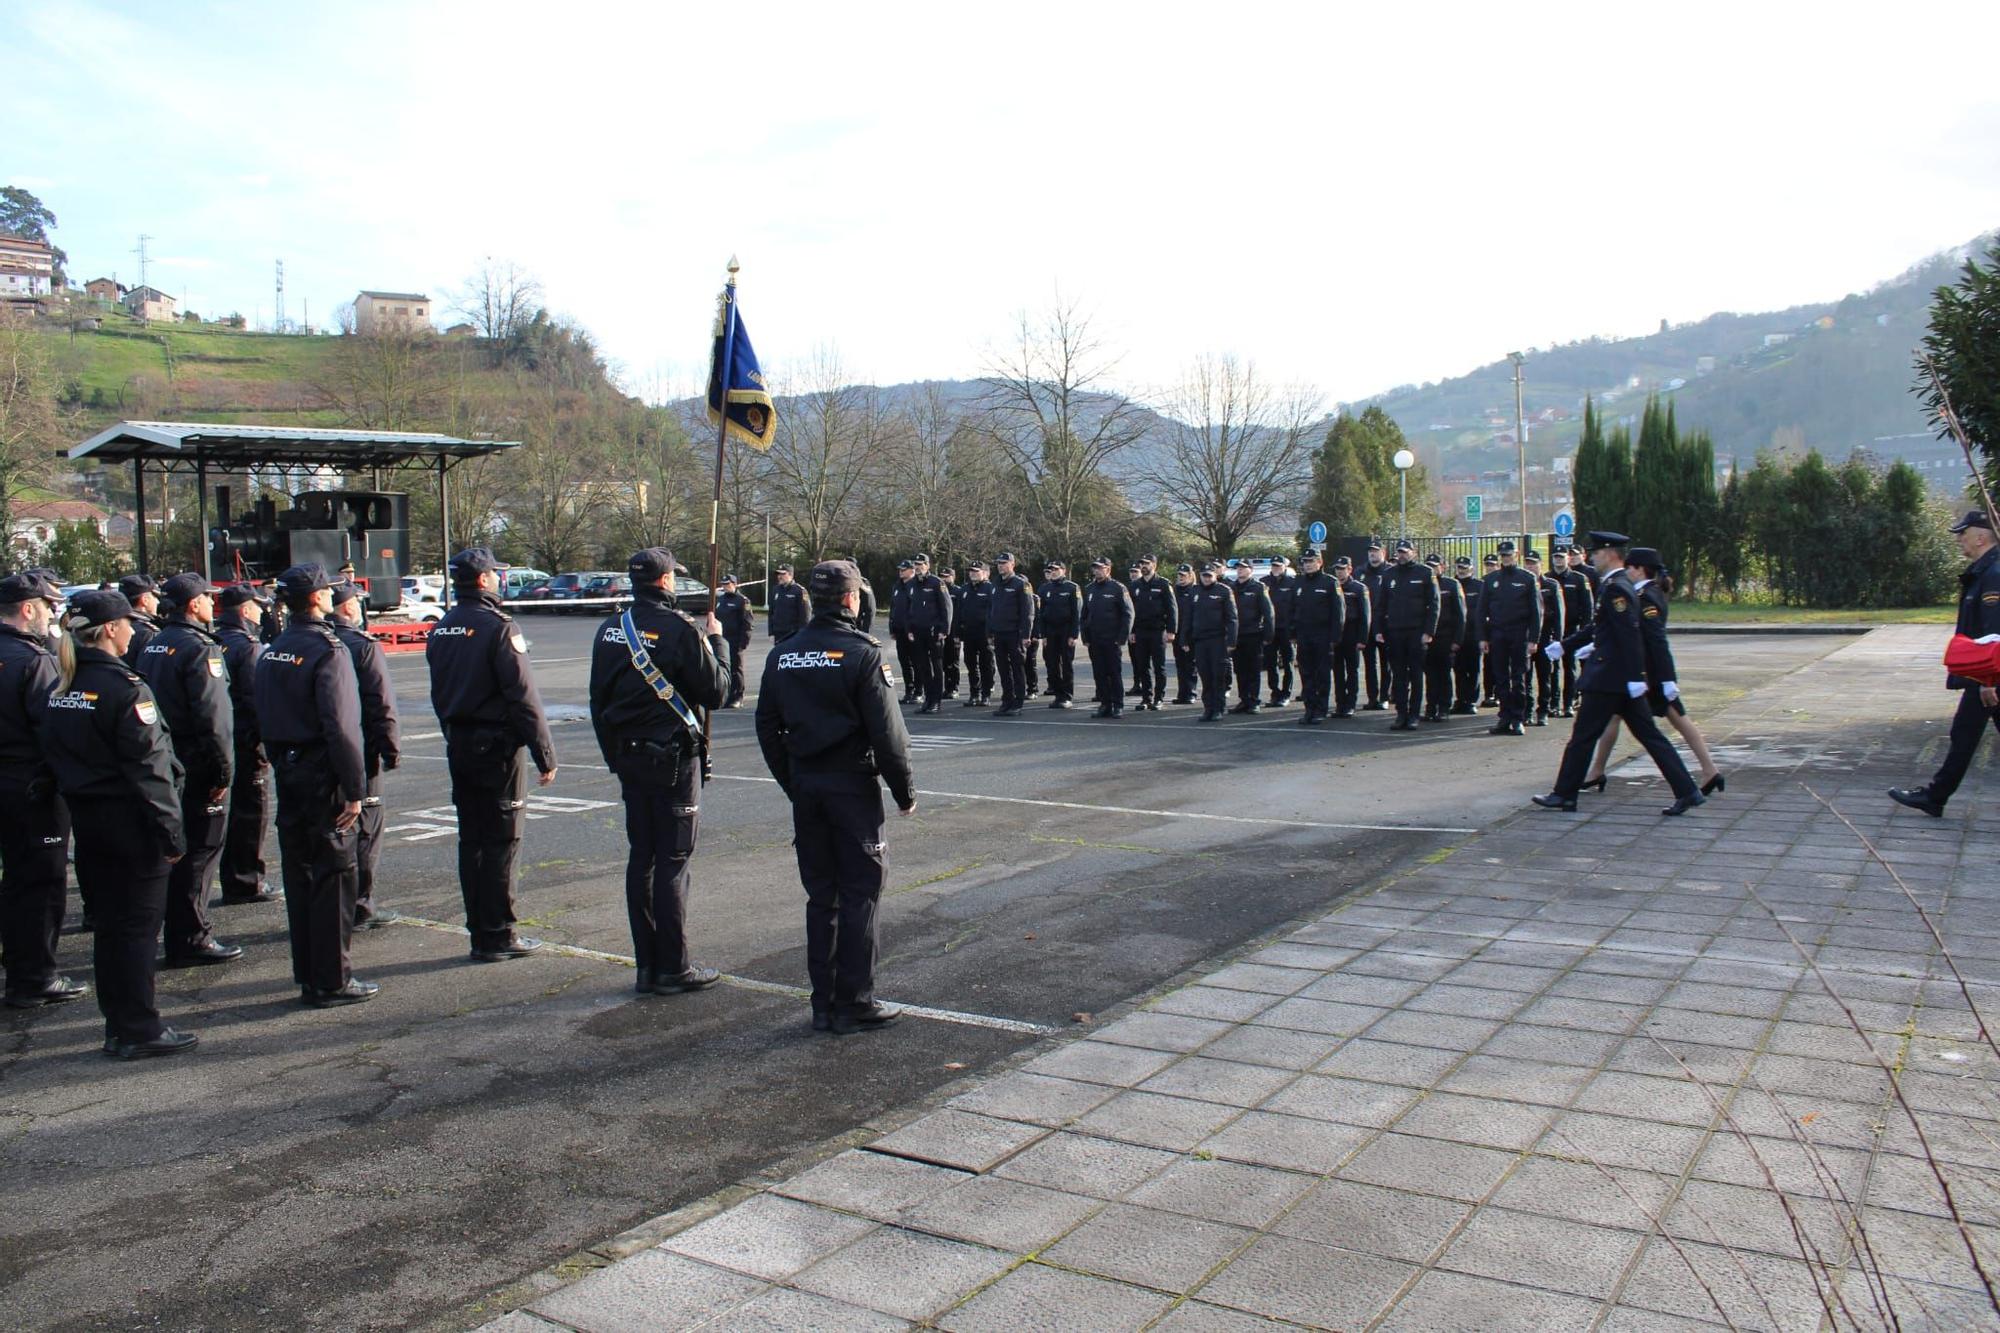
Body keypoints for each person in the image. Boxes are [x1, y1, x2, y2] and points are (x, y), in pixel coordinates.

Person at [754, 559, 914, 1034]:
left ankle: (823, 1002)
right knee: (862, 891)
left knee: (823, 896)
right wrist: (904, 790)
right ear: (851, 599)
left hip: (807, 785)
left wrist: (792, 779)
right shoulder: (863, 652)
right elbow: (888, 734)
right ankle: (855, 1000)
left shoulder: (784, 652)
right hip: (851, 786)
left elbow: (767, 725)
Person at [41, 590, 195, 1057]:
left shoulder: (63, 688)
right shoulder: (125, 688)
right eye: (126, 623)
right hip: (132, 827)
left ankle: (120, 1024)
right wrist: (172, 832)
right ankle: (138, 1029)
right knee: (135, 931)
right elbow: (150, 770)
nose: (132, 630)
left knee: (110, 928)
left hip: (90, 823)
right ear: (109, 629)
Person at [589, 546, 732, 995]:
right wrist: (719, 643)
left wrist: (613, 758)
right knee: (672, 861)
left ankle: (647, 966)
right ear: (666, 581)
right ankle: (674, 966)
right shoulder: (678, 629)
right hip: (672, 760)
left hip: (629, 756)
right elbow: (719, 692)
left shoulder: (611, 628)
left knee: (642, 859)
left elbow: (598, 702)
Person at [426, 547, 558, 961]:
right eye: (496, 574)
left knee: (472, 841)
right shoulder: (499, 627)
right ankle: (499, 934)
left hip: (460, 742)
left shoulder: (444, 625)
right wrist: (544, 753)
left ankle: (479, 930)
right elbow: (523, 697)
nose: (500, 579)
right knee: (502, 840)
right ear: (482, 580)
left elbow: (439, 690)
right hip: (495, 748)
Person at [256, 565, 377, 1006]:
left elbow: (261, 713)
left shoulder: (274, 648)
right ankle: (332, 979)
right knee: (333, 878)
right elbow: (342, 726)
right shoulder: (329, 649)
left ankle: (308, 973)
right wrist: (354, 787)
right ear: (316, 598)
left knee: (300, 874)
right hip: (323, 772)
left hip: (289, 769)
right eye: (327, 591)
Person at [1533, 532, 1704, 817]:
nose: (1591, 557)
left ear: (1611, 553)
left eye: (1596, 552)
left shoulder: (1617, 587)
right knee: (1650, 737)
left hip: (1610, 678)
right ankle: (1687, 790)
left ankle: (1564, 794)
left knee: (1583, 737)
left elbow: (1629, 633)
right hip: (1618, 679)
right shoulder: (1615, 584)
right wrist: (1566, 645)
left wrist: (1637, 675)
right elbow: (1601, 628)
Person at [135, 572, 242, 967]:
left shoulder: (155, 641)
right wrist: (223, 775)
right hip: (197, 763)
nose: (211, 604)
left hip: (168, 761)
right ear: (193, 604)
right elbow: (214, 720)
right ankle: (191, 935)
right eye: (205, 599)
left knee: (181, 851)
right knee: (201, 851)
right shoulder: (200, 649)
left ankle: (180, 929)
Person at [0, 573, 85, 1010]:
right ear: (28, 608)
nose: (54, 614)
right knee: (40, 881)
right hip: (31, 787)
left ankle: (20, 965)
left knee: (15, 880)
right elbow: (54, 728)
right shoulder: (34, 661)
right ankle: (34, 977)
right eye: (49, 606)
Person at [1579, 548, 1724, 796]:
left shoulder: (1647, 597)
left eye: (1630, 568)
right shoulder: (1646, 593)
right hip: (1644, 670)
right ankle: (1597, 770)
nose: (1627, 573)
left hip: (1650, 673)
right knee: (1625, 717)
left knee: (1672, 719)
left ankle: (1708, 771)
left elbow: (1656, 640)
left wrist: (1667, 679)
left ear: (1639, 569)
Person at [1891, 509, 2000, 817]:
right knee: (1963, 734)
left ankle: (1935, 797)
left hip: (1989, 675)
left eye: (1963, 534)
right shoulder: (1984, 571)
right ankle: (1935, 797)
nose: (1959, 541)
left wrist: (1989, 680)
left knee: (1963, 735)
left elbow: (1995, 634)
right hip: (1986, 675)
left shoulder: (1993, 575)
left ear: (1981, 537)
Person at [331, 582, 402, 928]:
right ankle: (360, 906)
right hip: (360, 752)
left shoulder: (304, 642)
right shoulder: (361, 645)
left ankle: (334, 905)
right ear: (346, 608)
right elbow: (380, 704)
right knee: (365, 831)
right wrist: (391, 749)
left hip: (317, 758)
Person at [214, 584, 280, 905]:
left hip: (223, 739)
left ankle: (235, 876)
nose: (261, 610)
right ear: (244, 610)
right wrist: (266, 745)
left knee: (231, 814)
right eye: (257, 605)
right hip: (246, 741)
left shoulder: (215, 640)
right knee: (251, 813)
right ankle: (247, 879)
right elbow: (257, 701)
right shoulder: (248, 646)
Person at [1373, 540, 1437, 731]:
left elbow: (1434, 605)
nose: (1401, 555)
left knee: (1416, 675)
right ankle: (1401, 714)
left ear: (1413, 553)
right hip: (1395, 631)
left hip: (1416, 632)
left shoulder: (1425, 573)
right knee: (1399, 675)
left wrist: (1428, 632)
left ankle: (1414, 715)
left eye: (1405, 552)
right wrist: (1378, 630)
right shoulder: (1389, 574)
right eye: (1399, 552)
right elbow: (1380, 605)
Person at [1479, 541, 1541, 736]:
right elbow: (1481, 611)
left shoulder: (1527, 578)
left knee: (1519, 678)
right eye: (1503, 555)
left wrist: (1533, 639)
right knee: (1501, 677)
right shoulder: (1490, 580)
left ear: (1516, 554)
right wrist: (1482, 637)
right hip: (1498, 633)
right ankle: (1504, 717)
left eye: (1509, 554)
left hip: (1519, 633)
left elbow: (1536, 612)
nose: (1506, 558)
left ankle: (1517, 718)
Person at [1289, 550, 1343, 725]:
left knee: (1321, 675)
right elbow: (1292, 609)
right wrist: (1293, 633)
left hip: (1323, 635)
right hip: (1304, 635)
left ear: (1320, 562)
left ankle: (1320, 709)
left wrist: (1335, 637)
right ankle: (1309, 709)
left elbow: (1338, 612)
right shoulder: (1298, 582)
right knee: (1306, 674)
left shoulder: (1330, 582)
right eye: (1305, 561)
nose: (1307, 564)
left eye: (1311, 561)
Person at [1080, 557, 1134, 719]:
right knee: (1099, 673)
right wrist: (1085, 637)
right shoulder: (1090, 588)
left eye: (1100, 568)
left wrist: (1122, 637)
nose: (1097, 571)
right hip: (1095, 639)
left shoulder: (1118, 588)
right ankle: (1105, 704)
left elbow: (1128, 614)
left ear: (1108, 569)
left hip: (1112, 639)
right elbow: (1084, 615)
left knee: (1114, 673)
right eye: (1095, 568)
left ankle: (1118, 705)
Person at [1185, 562, 1238, 721]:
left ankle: (1218, 708)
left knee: (1218, 676)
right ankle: (1208, 708)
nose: (1206, 578)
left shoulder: (1224, 591)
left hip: (1218, 640)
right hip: (1200, 640)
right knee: (1205, 676)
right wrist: (1184, 639)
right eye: (1204, 575)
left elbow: (1232, 618)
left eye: (1209, 575)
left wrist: (1231, 641)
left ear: (1215, 576)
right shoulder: (1194, 591)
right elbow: (1188, 617)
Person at [988, 552, 1035, 717]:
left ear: (1012, 565)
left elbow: (1028, 612)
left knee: (1017, 668)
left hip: (1015, 633)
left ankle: (1018, 702)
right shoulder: (995, 584)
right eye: (999, 563)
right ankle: (1007, 700)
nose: (1001, 566)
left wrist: (1026, 634)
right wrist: (990, 630)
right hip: (999, 633)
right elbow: (991, 609)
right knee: (1003, 669)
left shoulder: (1021, 584)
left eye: (1004, 563)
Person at [1523, 550, 1566, 726]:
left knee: (1544, 676)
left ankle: (1543, 710)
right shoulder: (1522, 583)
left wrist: (1558, 638)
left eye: (1533, 563)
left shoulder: (1551, 584)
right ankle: (1527, 711)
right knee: (1525, 676)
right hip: (1526, 637)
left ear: (1541, 564)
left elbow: (1559, 614)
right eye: (1527, 563)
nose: (1530, 567)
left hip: (1545, 636)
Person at [1129, 555, 1177, 711]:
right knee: (1142, 666)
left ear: (1154, 565)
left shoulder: (1163, 584)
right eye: (1141, 563)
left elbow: (1172, 608)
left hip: (1158, 631)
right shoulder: (1135, 585)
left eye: (1147, 563)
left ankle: (1158, 698)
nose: (1143, 566)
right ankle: (1146, 698)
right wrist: (1132, 631)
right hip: (1141, 631)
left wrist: (1171, 630)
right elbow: (1131, 611)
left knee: (1159, 667)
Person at [907, 553, 953, 714]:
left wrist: (944, 629)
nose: (918, 567)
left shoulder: (936, 583)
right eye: (915, 564)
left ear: (927, 565)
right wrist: (909, 629)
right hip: (918, 632)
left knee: (937, 667)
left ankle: (936, 701)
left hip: (934, 632)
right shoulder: (911, 583)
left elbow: (946, 607)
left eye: (920, 564)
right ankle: (928, 699)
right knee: (922, 667)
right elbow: (909, 609)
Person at [1421, 554, 1464, 724]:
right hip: (1429, 637)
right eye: (1428, 566)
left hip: (1446, 637)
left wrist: (1457, 640)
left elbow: (1461, 615)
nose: (1432, 569)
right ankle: (1431, 707)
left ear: (1443, 567)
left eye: (1435, 565)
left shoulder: (1452, 584)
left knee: (1444, 674)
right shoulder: (1423, 585)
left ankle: (1444, 708)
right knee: (1430, 675)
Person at [1229, 561, 1274, 714]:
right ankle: (1244, 699)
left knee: (1253, 669)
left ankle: (1254, 700)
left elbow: (1268, 613)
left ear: (1251, 570)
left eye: (1243, 568)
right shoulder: (1231, 588)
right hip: (1237, 635)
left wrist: (1268, 634)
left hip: (1254, 634)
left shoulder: (1258, 587)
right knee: (1240, 669)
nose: (1240, 570)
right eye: (1238, 568)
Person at [1555, 545, 1594, 717]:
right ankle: (1553, 704)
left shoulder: (1579, 579)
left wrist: (1585, 631)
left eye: (1562, 557)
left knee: (1570, 667)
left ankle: (1569, 702)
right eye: (1555, 557)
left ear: (1568, 558)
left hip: (1573, 628)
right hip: (1555, 629)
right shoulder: (1549, 579)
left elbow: (1588, 608)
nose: (1558, 560)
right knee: (1553, 669)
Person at [1038, 560, 1081, 709]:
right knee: (1052, 664)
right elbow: (1041, 613)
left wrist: (1074, 635)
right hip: (1050, 631)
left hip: (1066, 631)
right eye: (1051, 569)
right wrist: (1042, 635)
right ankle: (1058, 695)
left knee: (1067, 665)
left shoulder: (1071, 588)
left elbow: (1076, 613)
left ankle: (1067, 696)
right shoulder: (1045, 589)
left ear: (1063, 570)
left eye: (1056, 569)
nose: (1053, 572)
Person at [1332, 555, 1370, 718]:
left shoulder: (1359, 588)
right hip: (1336, 635)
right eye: (1337, 569)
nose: (1339, 572)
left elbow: (1365, 615)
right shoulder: (1332, 587)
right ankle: (1340, 703)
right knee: (1338, 671)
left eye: (1342, 569)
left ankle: (1350, 703)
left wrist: (1362, 639)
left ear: (1350, 570)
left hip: (1352, 634)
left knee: (1352, 670)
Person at [1357, 542, 1392, 709]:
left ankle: (1384, 697)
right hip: (1367, 626)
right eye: (1370, 551)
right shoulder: (1360, 572)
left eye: (1376, 551)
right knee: (1369, 664)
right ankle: (1372, 697)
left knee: (1387, 664)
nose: (1372, 554)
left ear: (1383, 552)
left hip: (1385, 626)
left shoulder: (1391, 571)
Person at [713, 574, 755, 708]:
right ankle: (726, 695)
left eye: (728, 584)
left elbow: (747, 623)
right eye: (723, 584)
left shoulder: (742, 600)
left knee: (736, 669)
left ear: (734, 584)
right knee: (723, 668)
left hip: (735, 640)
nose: (725, 587)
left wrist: (743, 643)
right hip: (722, 640)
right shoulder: (720, 599)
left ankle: (738, 697)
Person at [1260, 556, 1298, 706]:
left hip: (1286, 629)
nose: (1275, 568)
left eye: (1278, 565)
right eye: (1274, 565)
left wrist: (1294, 629)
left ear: (1285, 567)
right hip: (1270, 629)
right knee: (1270, 662)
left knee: (1288, 662)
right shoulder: (1264, 582)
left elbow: (1296, 607)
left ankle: (1286, 693)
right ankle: (1274, 692)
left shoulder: (1292, 583)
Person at [958, 561, 995, 706]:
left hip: (985, 633)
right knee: (970, 664)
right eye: (971, 571)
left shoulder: (990, 588)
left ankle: (986, 694)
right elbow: (959, 611)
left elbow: (994, 611)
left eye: (976, 571)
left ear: (986, 573)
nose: (972, 573)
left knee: (986, 664)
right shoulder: (965, 589)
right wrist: (958, 631)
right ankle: (974, 693)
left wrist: (992, 631)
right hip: (969, 632)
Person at [1452, 556, 1483, 715]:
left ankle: (1471, 701)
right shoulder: (1452, 585)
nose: (1461, 570)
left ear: (1471, 568)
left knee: (1473, 669)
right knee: (1458, 669)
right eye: (1459, 567)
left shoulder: (1479, 586)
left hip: (1473, 635)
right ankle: (1460, 699)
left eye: (1464, 567)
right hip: (1457, 635)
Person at [1170, 564, 1199, 705]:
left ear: (1190, 575)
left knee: (1190, 665)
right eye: (1179, 575)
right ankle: (1182, 693)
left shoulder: (1194, 591)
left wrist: (1188, 637)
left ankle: (1191, 693)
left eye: (1184, 575)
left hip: (1190, 633)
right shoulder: (1175, 591)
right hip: (1177, 632)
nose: (1181, 578)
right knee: (1180, 664)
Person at [888, 560, 917, 703]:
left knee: (916, 662)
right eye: (900, 569)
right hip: (899, 630)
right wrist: (892, 628)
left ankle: (918, 691)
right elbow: (893, 608)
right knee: (904, 662)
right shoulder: (897, 586)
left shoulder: (916, 585)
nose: (900, 572)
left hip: (912, 630)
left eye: (904, 569)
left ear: (912, 570)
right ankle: (909, 690)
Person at [118, 573, 163, 664]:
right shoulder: (148, 633)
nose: (157, 602)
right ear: (145, 600)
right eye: (155, 597)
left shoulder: (114, 626)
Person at [1478, 552, 1503, 705]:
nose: (1490, 568)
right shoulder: (1482, 582)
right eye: (1487, 565)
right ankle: (1489, 694)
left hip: (1500, 627)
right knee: (1488, 663)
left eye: (1492, 565)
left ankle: (1500, 693)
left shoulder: (1502, 580)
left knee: (1501, 663)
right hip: (1488, 629)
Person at [766, 564, 808, 644]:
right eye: (779, 574)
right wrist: (771, 632)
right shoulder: (776, 590)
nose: (779, 576)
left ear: (790, 574)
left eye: (783, 574)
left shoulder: (799, 591)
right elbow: (771, 612)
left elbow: (805, 616)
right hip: (778, 633)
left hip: (793, 634)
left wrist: (803, 634)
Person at [939, 566, 962, 700]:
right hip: (942, 632)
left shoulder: (957, 591)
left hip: (954, 632)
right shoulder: (938, 591)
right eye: (942, 576)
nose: (944, 579)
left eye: (946, 576)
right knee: (943, 662)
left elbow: (960, 613)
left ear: (953, 577)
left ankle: (954, 688)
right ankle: (947, 687)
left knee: (953, 662)